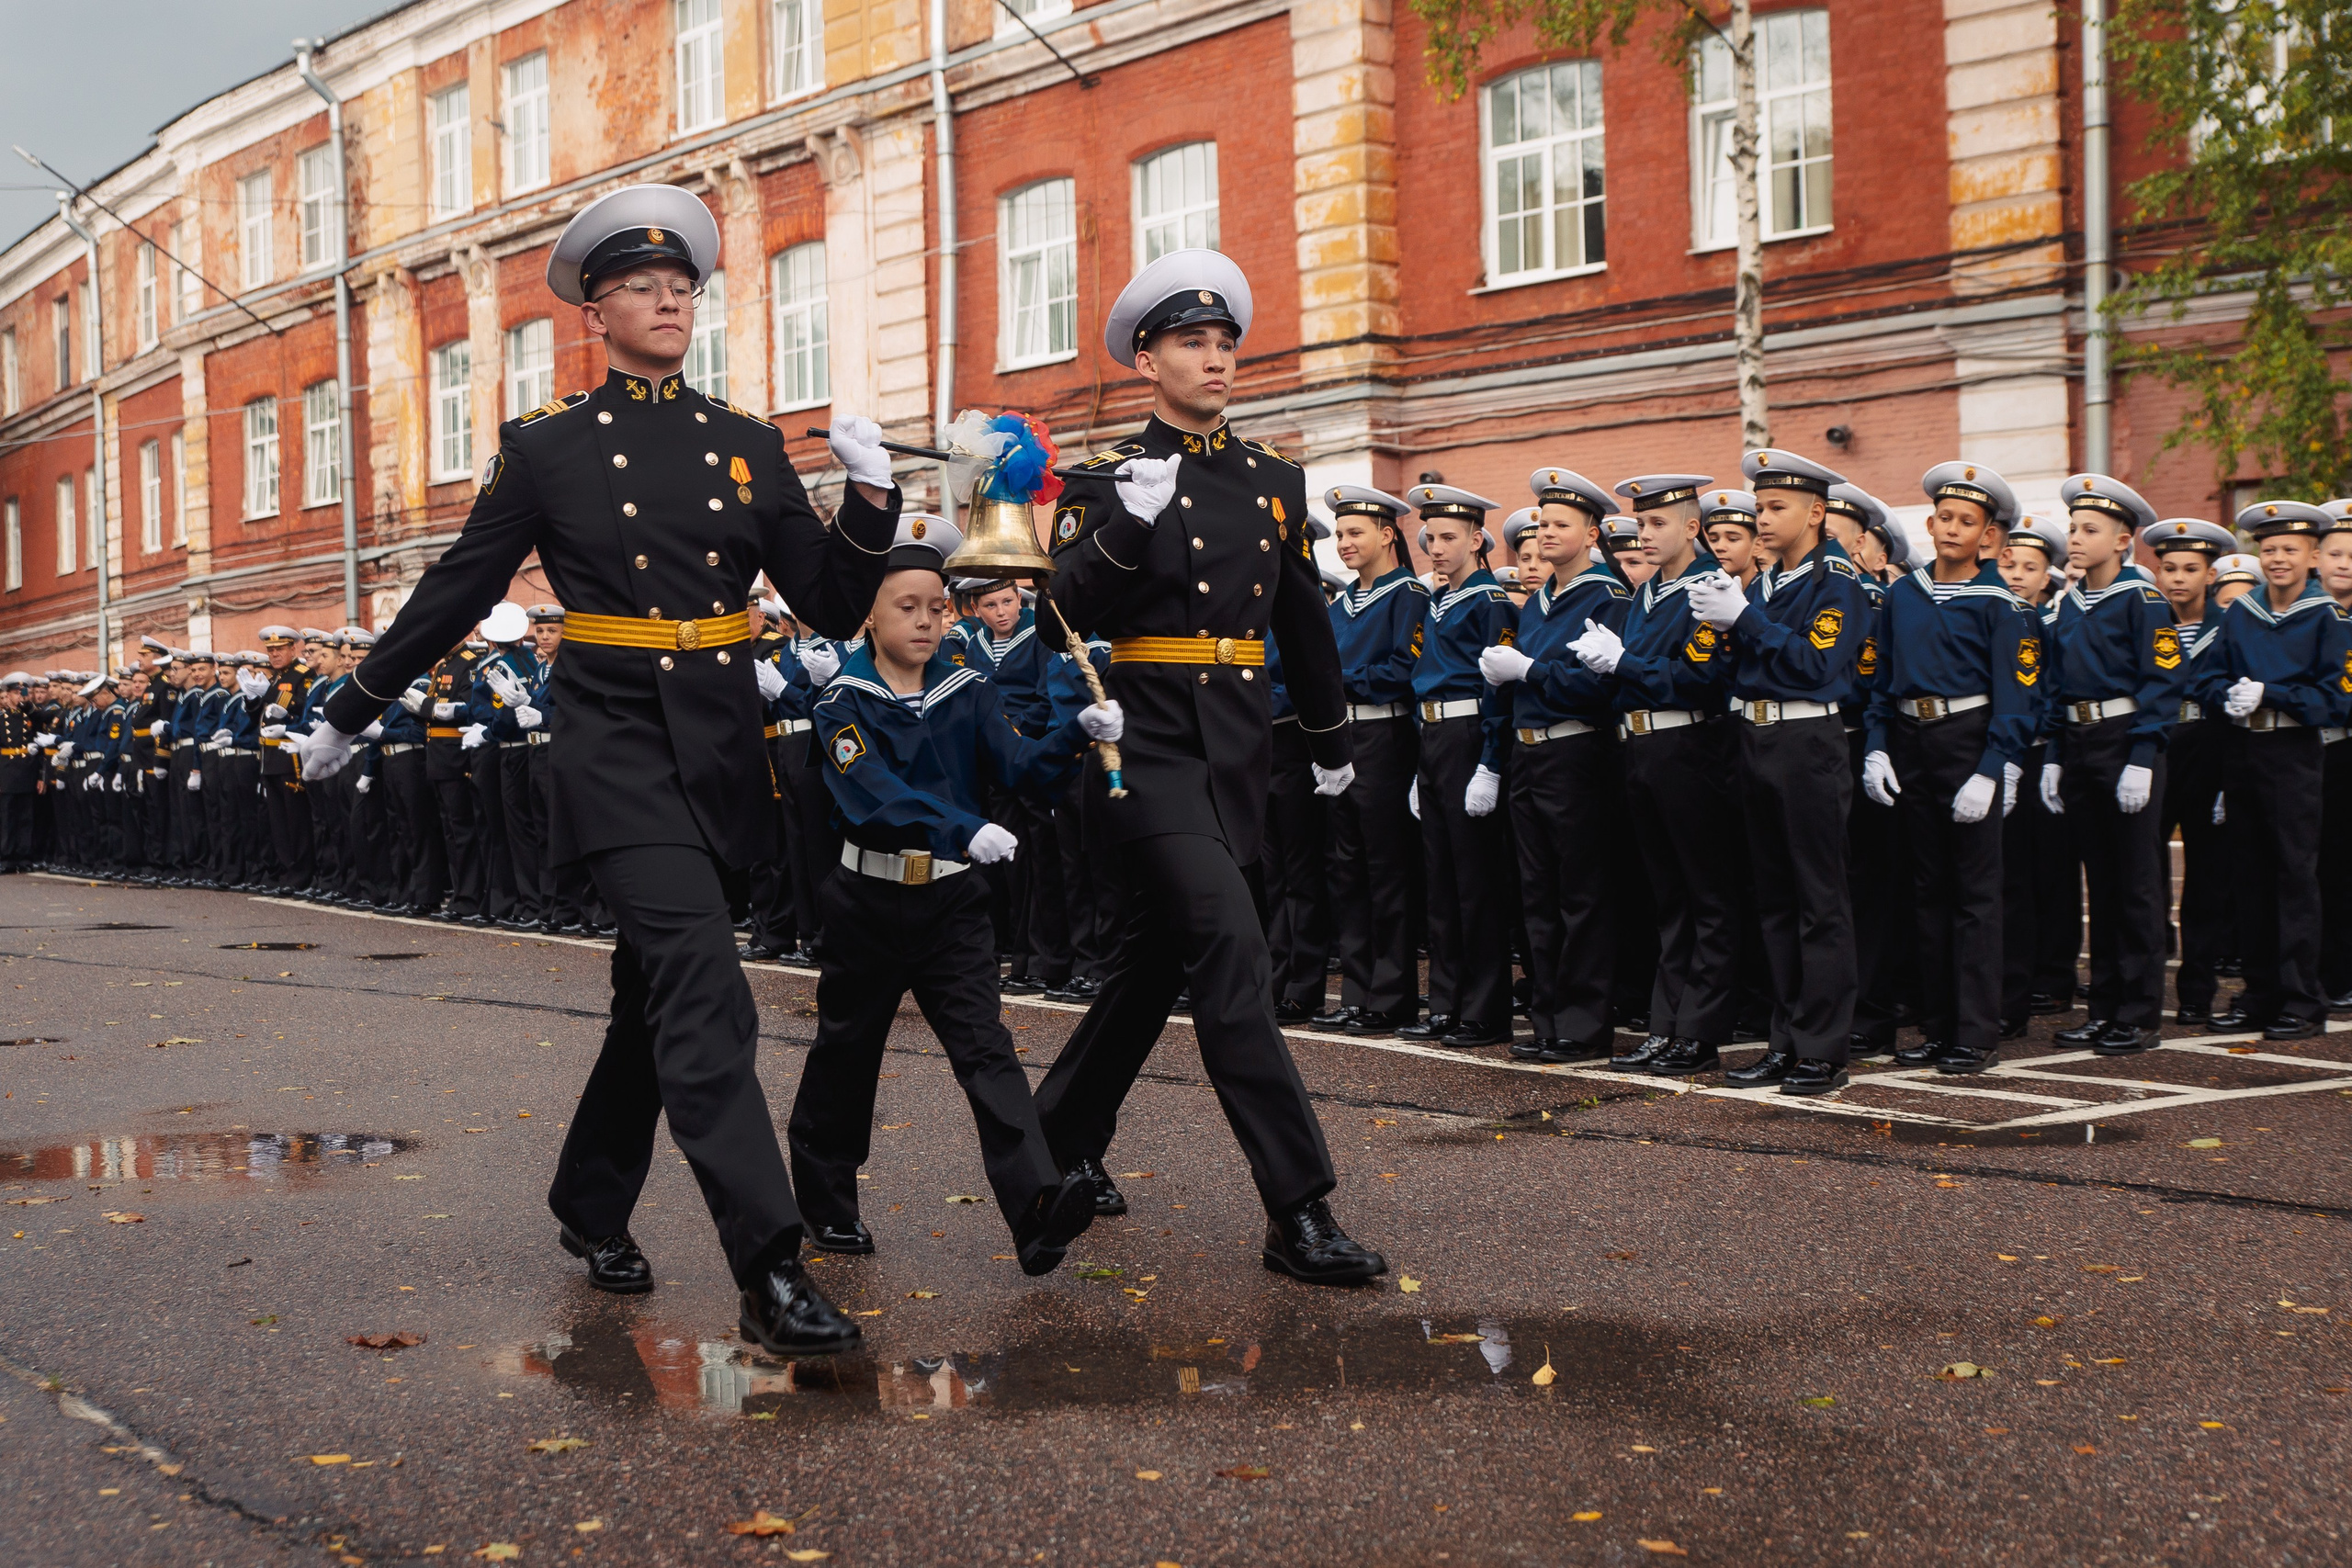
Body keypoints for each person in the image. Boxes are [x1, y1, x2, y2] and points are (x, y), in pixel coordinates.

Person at [301, 182, 902, 1353]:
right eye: (643, 286)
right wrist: (358, 703)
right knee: (705, 988)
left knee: (653, 1001)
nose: (670, 300)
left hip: (721, 751)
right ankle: (768, 1264)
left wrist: (869, 504)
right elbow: (460, 587)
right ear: (596, 311)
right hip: (615, 740)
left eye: (683, 287)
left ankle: (588, 1205)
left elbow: (831, 606)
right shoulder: (550, 448)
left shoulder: (745, 444)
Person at [1032, 247, 1385, 1285]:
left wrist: (1328, 744)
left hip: (1240, 747)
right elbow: (1063, 615)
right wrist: (1126, 528)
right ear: (1147, 359)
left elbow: (1302, 621)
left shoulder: (1274, 478)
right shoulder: (1107, 482)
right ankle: (1299, 1206)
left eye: (1225, 341)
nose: (1216, 357)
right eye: (1192, 342)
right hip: (1144, 749)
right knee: (1234, 963)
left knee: (1152, 972)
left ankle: (1053, 1140)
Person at [785, 511, 1118, 1273]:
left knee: (986, 1050)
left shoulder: (967, 688)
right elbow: (868, 792)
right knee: (847, 1052)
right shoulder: (843, 701)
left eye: (938, 606)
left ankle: (1036, 1210)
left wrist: (1077, 731)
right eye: (908, 607)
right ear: (869, 612)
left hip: (951, 905)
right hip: (869, 902)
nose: (929, 621)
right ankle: (827, 1204)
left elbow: (1022, 767)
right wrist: (958, 827)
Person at [1685, 449, 1874, 1095]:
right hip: (1756, 736)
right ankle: (1785, 1039)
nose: (1761, 518)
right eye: (1759, 506)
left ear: (1816, 512)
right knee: (1774, 901)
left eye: (1776, 508)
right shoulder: (1764, 585)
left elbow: (1817, 665)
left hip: (1806, 738)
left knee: (1819, 899)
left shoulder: (1837, 582)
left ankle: (1823, 1046)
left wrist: (1745, 620)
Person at [1861, 461, 2037, 1075]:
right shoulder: (1903, 594)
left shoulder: (2000, 602)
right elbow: (1881, 680)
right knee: (1927, 890)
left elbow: (2016, 695)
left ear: (1989, 536)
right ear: (1931, 523)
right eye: (1946, 518)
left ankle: (1974, 1030)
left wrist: (1993, 768)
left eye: (1970, 521)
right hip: (1911, 740)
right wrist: (1877, 746)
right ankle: (1937, 1026)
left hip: (1968, 740)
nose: (1954, 528)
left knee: (1976, 895)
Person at [1565, 472, 1738, 1071]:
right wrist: (1608, 665)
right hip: (1642, 750)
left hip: (1689, 747)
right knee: (1668, 900)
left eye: (1658, 522)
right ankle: (1667, 1026)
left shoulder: (1707, 587)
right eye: (1641, 524)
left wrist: (1626, 662)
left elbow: (1701, 679)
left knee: (1707, 896)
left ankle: (1700, 1030)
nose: (1645, 534)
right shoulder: (1644, 595)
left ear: (1693, 527)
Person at [1479, 468, 1633, 1063]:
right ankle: (1547, 1017)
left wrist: (1530, 672)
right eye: (1542, 522)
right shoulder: (1540, 599)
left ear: (1592, 533)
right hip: (1530, 751)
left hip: (1577, 750)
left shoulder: (1607, 595)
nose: (1544, 533)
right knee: (1537, 894)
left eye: (1560, 524)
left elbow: (1598, 685)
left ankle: (1582, 1023)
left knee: (1582, 894)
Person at [2194, 502, 2352, 1039]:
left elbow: (2338, 699)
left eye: (2290, 549)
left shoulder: (2327, 616)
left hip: (2293, 754)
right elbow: (2208, 679)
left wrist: (2273, 694)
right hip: (2243, 751)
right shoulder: (2242, 612)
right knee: (2250, 876)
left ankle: (2302, 1001)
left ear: (2313, 555)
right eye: (2269, 549)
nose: (2278, 558)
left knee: (2293, 878)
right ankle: (2259, 994)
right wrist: (2227, 697)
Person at [2042, 473, 2181, 1055]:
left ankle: (2139, 1011)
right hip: (2079, 744)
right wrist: (2053, 758)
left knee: (2137, 885)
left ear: (2124, 540)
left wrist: (2144, 756)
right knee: (2099, 883)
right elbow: (2054, 687)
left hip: (2125, 741)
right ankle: (2103, 1009)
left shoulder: (2143, 600)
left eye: (2090, 530)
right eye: (2073, 528)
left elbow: (2164, 680)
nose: (2075, 538)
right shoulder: (2065, 607)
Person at [1399, 483, 1516, 1049]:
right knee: (1441, 882)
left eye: (1449, 538)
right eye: (1430, 538)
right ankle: (1446, 1000)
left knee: (1476, 883)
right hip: (1435, 736)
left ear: (1476, 539)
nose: (1436, 548)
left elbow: (1497, 691)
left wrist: (1490, 763)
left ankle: (1485, 1007)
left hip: (1470, 733)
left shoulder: (1491, 602)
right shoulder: (1435, 600)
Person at [1310, 484, 1429, 1036]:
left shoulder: (1409, 597)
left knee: (1387, 871)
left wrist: (1338, 683)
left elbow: (1401, 672)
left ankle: (1391, 995)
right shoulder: (1338, 606)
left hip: (1385, 740)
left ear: (1387, 534)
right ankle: (1357, 992)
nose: (1344, 543)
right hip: (1341, 739)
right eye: (1339, 534)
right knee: (1347, 871)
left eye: (1355, 532)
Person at [2145, 518, 2240, 1025]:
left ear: (2211, 575)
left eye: (2191, 568)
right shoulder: (2147, 619)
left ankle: (2198, 989)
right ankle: (2143, 979)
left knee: (2206, 872)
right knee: (2147, 871)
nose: (2177, 577)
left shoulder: (2230, 626)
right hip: (2156, 748)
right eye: (2169, 567)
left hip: (2207, 749)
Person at [1994, 516, 2082, 1030]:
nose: (2018, 575)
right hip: (2003, 753)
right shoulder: (1998, 616)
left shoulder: (2049, 624)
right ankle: (2023, 979)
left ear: (2048, 575)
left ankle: (2054, 973)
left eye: (2030, 567)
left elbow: (2051, 693)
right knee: (2014, 875)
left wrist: (2049, 753)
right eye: (2010, 564)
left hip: (2040, 752)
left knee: (2051, 871)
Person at [2315, 501, 2352, 1011]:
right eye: (2335, 552)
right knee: (2317, 868)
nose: (2343, 563)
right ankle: (2326, 971)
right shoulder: (2307, 616)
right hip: (2309, 751)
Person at [254, 626, 314, 891]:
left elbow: (301, 706)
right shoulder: (276, 678)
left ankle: (301, 874)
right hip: (270, 756)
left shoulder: (303, 675)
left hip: (290, 755)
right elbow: (259, 717)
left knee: (296, 819)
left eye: (280, 649)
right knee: (277, 821)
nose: (275, 654)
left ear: (293, 649)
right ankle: (287, 872)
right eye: (270, 650)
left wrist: (268, 694)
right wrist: (251, 698)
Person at [0, 673, 36, 872]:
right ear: (8, 695)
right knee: (7, 818)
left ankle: (24, 857)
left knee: (26, 818)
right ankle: (7, 858)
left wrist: (40, 776)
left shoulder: (31, 717)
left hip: (26, 771)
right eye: (16, 693)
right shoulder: (1, 719)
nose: (20, 696)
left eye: (23, 692)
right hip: (6, 772)